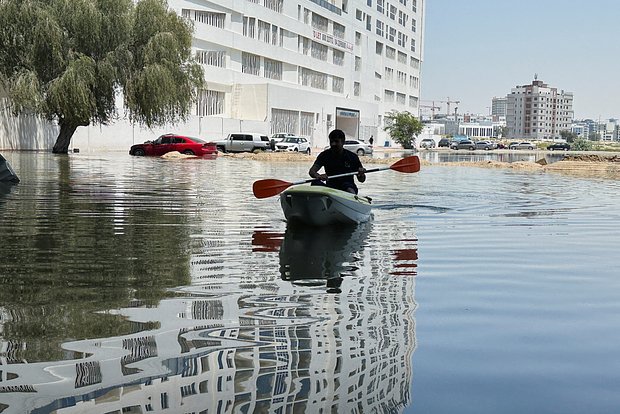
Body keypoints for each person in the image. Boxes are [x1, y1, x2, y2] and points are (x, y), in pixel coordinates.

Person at [309, 129, 366, 194]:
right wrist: (318, 176)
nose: (333, 144)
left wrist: (361, 174)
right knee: (315, 183)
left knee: (348, 187)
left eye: (336, 141)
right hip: (330, 188)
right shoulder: (324, 155)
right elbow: (312, 171)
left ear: (343, 142)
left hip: (348, 186)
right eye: (331, 141)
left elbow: (362, 180)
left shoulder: (352, 157)